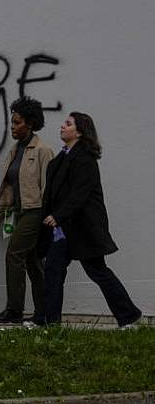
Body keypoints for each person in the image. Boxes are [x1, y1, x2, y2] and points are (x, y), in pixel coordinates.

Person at [39, 111, 142, 328]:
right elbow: (52, 193)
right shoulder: (61, 159)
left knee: (98, 271)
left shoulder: (85, 159)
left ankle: (129, 315)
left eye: (68, 124)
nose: (62, 126)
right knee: (53, 270)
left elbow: (79, 194)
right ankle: (50, 321)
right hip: (63, 229)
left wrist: (57, 215)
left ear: (79, 131)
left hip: (82, 228)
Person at [0, 97, 55, 324]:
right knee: (33, 262)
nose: (12, 127)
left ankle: (14, 310)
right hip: (17, 211)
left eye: (17, 123)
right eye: (12, 122)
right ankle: (44, 313)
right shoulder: (16, 150)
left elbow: (48, 187)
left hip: (34, 211)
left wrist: (48, 218)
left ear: (31, 123)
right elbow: (8, 185)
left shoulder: (43, 150)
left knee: (14, 255)